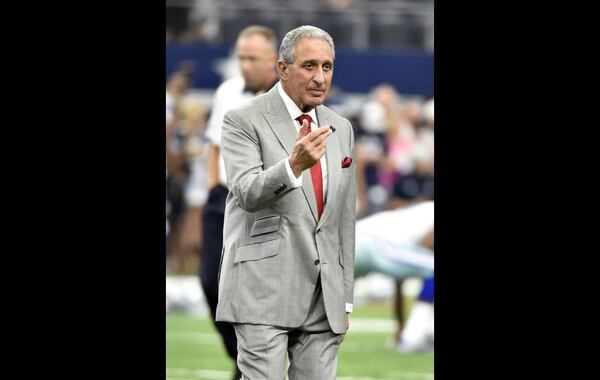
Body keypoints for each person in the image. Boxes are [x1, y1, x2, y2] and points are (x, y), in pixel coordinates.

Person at [216, 25, 356, 379]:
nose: (320, 77)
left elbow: (343, 219)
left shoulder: (341, 127)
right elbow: (246, 192)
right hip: (263, 288)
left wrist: (346, 297)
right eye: (309, 65)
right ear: (282, 68)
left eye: (327, 67)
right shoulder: (242, 119)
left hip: (324, 298)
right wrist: (293, 166)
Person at [199, 25, 279, 380]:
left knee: (258, 291)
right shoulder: (228, 91)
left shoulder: (286, 98)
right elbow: (214, 144)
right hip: (225, 198)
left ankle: (255, 362)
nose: (245, 65)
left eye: (253, 58)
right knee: (210, 284)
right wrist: (213, 187)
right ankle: (243, 356)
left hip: (266, 203)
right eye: (241, 57)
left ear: (274, 60)